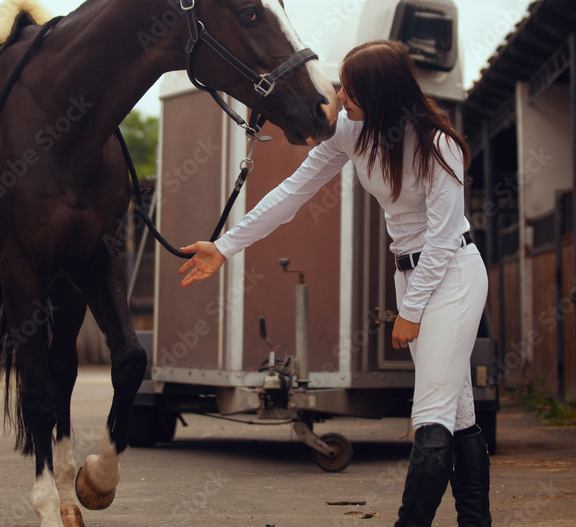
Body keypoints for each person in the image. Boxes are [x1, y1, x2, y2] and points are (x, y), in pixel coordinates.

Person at [179, 39, 491, 526]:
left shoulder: (437, 144)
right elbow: (292, 193)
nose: (339, 95)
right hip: (407, 275)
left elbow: (446, 238)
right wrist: (225, 245)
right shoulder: (352, 131)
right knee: (459, 412)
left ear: (382, 93)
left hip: (452, 275)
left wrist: (410, 312)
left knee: (431, 414)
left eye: (351, 87)